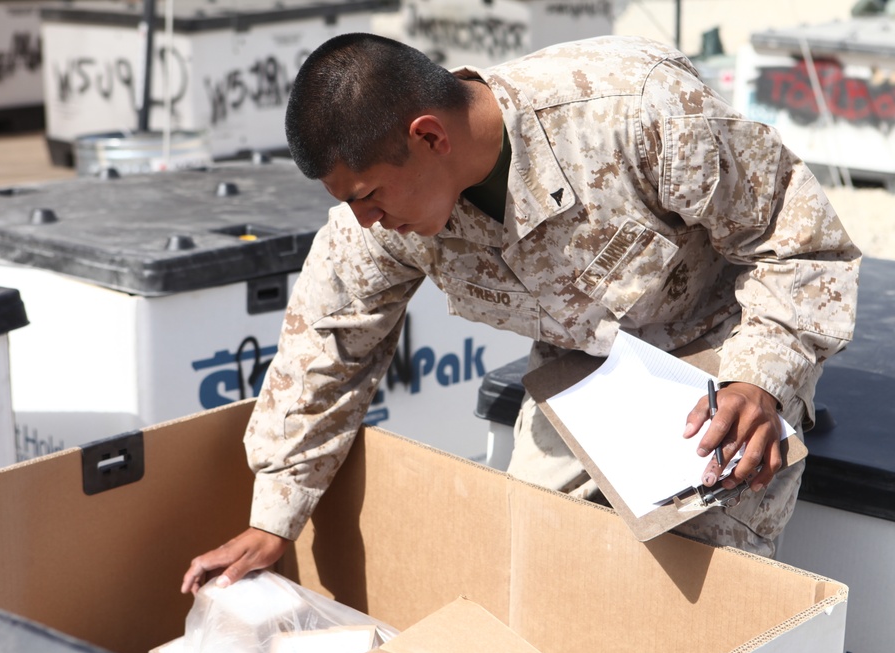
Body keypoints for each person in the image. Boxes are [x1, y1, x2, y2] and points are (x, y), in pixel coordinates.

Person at [182, 32, 860, 595]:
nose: (364, 219)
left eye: (367, 195)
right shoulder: (385, 217)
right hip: (587, 376)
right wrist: (275, 517)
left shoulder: (638, 110)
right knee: (537, 577)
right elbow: (328, 348)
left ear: (429, 137)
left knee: (706, 591)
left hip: (719, 354)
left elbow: (801, 244)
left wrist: (764, 379)